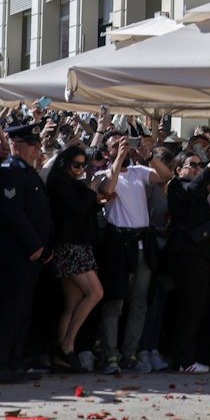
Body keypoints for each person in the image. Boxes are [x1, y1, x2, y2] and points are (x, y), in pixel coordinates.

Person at [95, 133, 171, 375]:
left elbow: (166, 176)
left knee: (139, 305)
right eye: (115, 146)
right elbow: (106, 188)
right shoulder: (102, 174)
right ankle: (110, 355)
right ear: (106, 153)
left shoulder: (139, 171)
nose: (123, 148)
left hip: (141, 244)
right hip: (118, 244)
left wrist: (149, 155)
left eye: (124, 144)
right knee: (114, 303)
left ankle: (130, 352)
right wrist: (117, 159)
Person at [164, 144, 210, 373]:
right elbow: (190, 194)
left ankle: (195, 356)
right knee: (190, 308)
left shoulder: (200, 189)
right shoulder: (177, 186)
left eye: (200, 165)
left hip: (206, 257)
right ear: (179, 169)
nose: (198, 169)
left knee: (201, 308)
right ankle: (183, 360)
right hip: (188, 257)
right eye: (193, 165)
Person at [0, 125, 53, 383]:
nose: (37, 148)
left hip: (33, 256)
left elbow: (41, 213)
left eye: (37, 143)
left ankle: (15, 360)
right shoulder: (9, 172)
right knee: (10, 310)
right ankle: (3, 363)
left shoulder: (29, 173)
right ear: (16, 145)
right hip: (16, 255)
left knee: (23, 311)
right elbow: (13, 215)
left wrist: (46, 247)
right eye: (32, 143)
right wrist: (35, 245)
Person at [45, 145, 104, 373]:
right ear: (64, 163)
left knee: (72, 304)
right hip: (69, 246)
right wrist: (90, 189)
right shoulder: (59, 181)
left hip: (78, 244)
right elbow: (78, 208)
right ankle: (67, 346)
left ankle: (61, 357)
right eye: (76, 165)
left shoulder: (70, 182)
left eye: (83, 165)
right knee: (95, 293)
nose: (80, 169)